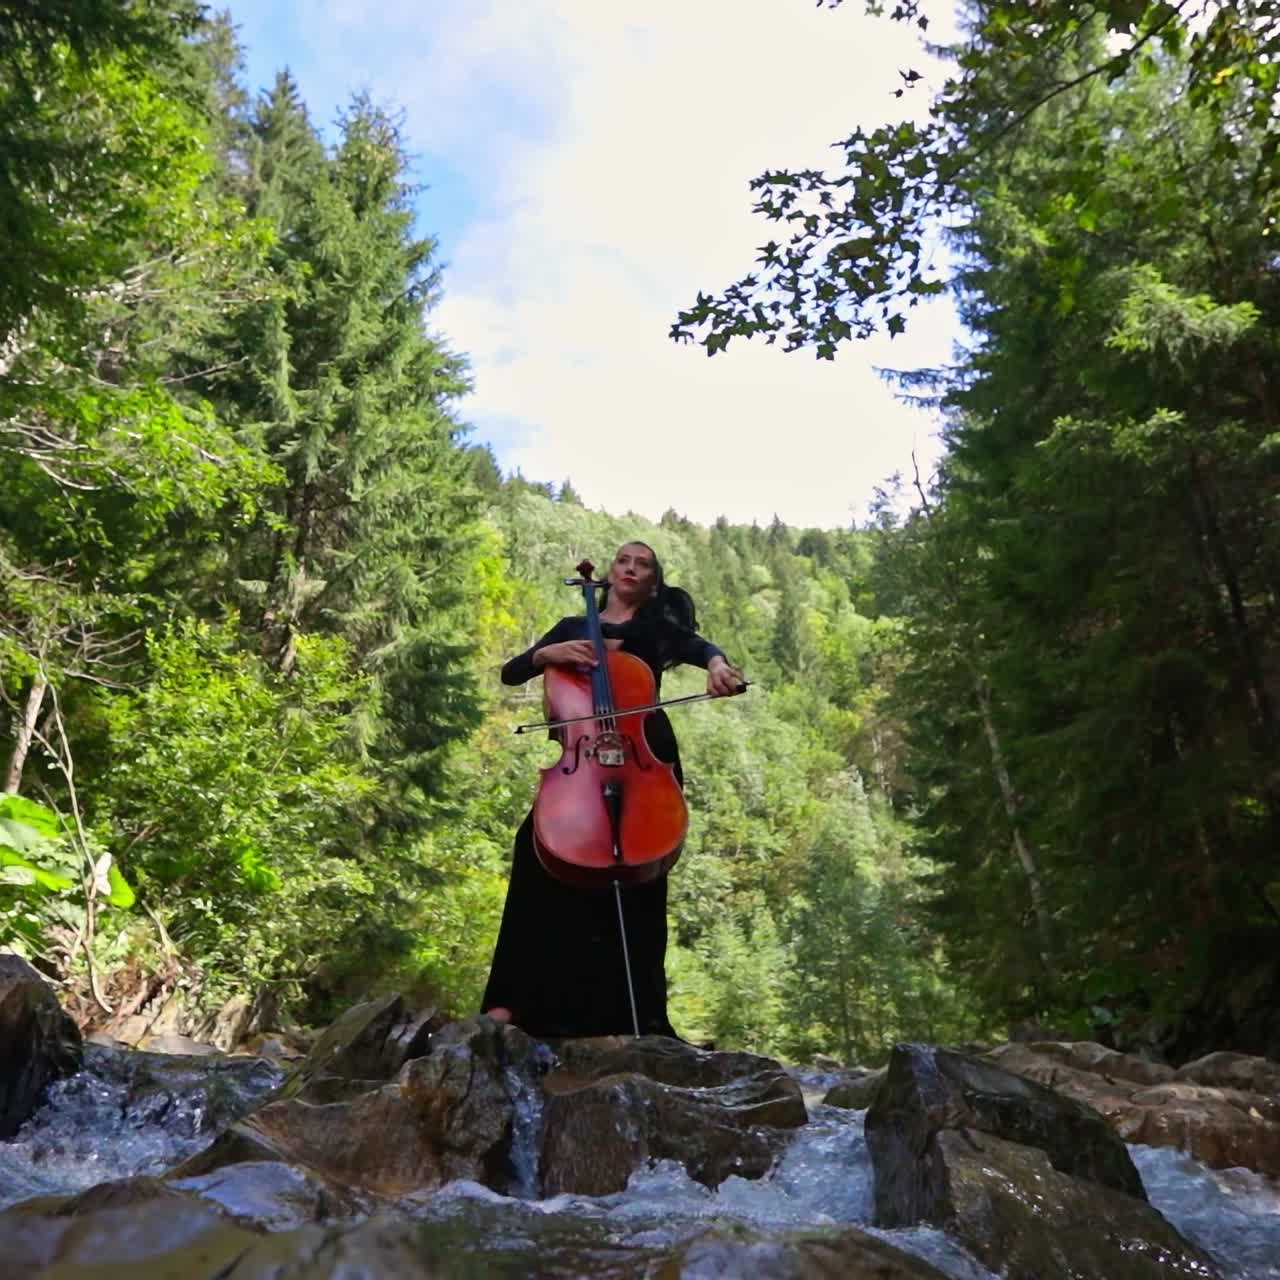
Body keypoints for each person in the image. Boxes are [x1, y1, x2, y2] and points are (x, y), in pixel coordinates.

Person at [481, 540, 745, 1039]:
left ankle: (642, 1015)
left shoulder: (658, 631)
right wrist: (546, 654)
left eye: (642, 564)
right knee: (534, 853)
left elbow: (701, 649)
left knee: (643, 874)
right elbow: (511, 672)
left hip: (642, 758)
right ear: (610, 572)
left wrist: (717, 668)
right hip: (580, 766)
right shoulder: (572, 629)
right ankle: (511, 1002)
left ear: (652, 581)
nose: (631, 568)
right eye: (624, 560)